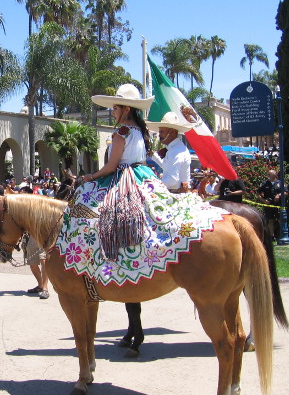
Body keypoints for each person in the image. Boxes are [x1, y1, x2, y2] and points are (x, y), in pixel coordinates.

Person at [55, 84, 227, 287]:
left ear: (126, 109)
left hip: (122, 177)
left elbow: (111, 166)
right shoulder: (138, 130)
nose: (113, 111)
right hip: (142, 174)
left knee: (89, 206)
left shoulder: (121, 132)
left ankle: (98, 258)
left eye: (116, 108)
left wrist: (89, 177)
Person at [146, 112, 192, 193]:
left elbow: (173, 180)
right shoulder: (176, 148)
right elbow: (167, 167)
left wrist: (153, 186)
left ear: (172, 132)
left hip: (176, 194)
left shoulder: (176, 150)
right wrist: (154, 155)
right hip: (176, 192)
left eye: (162, 132)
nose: (159, 134)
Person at [257, 170, 282, 240]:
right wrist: (263, 200)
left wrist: (279, 195)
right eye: (268, 174)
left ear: (274, 175)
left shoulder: (280, 183)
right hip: (269, 204)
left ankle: (282, 234)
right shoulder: (265, 183)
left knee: (280, 219)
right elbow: (258, 193)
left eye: (270, 174)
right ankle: (272, 236)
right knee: (270, 220)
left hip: (278, 204)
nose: (268, 176)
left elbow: (286, 192)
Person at [23, 235, 50, 299]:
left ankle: (45, 288)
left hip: (44, 235)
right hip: (32, 236)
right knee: (32, 263)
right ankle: (40, 286)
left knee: (43, 261)